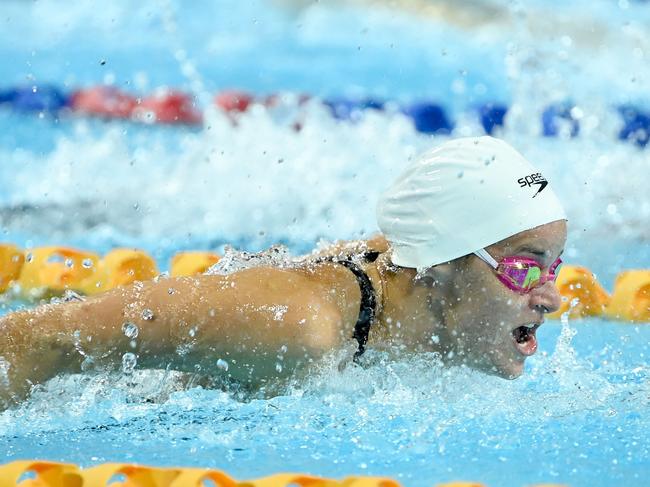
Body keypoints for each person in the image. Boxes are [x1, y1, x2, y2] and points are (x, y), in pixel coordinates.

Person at [0, 136, 567, 408]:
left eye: (555, 268)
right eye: (524, 269)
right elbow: (39, 337)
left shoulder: (413, 273)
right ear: (443, 264)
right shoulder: (301, 325)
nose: (552, 299)